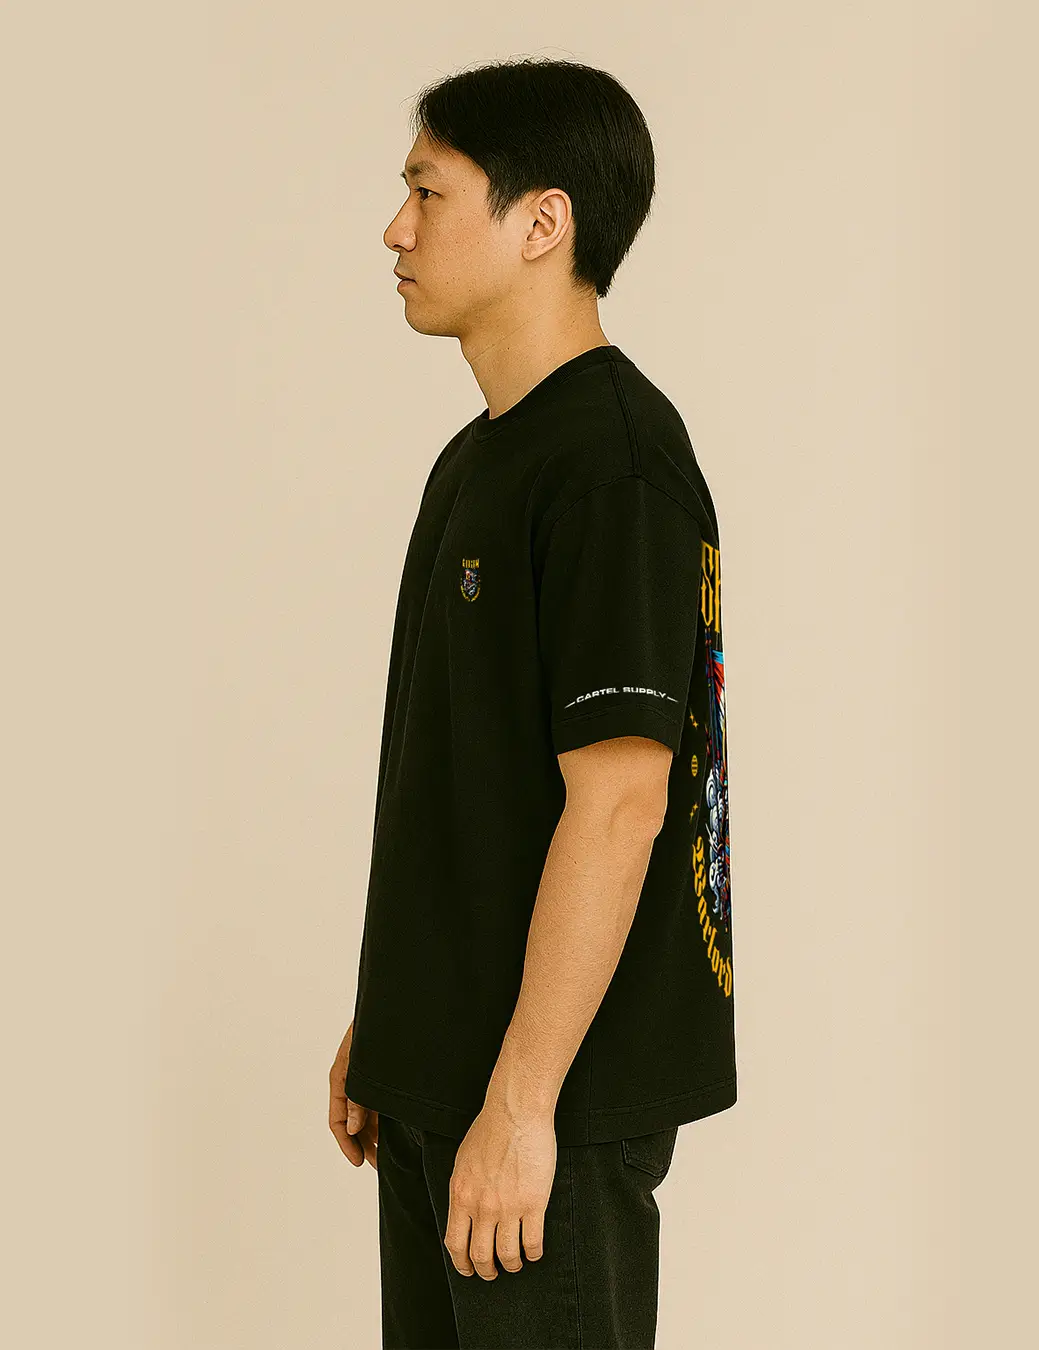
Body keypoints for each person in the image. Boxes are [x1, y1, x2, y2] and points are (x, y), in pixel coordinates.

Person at [327, 55, 736, 1350]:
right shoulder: (480, 460)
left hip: (545, 1107)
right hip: (447, 1081)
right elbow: (466, 777)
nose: (396, 230)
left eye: (428, 192)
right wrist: (394, 1020)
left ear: (541, 222)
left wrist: (520, 1102)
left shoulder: (615, 464)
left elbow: (619, 805)